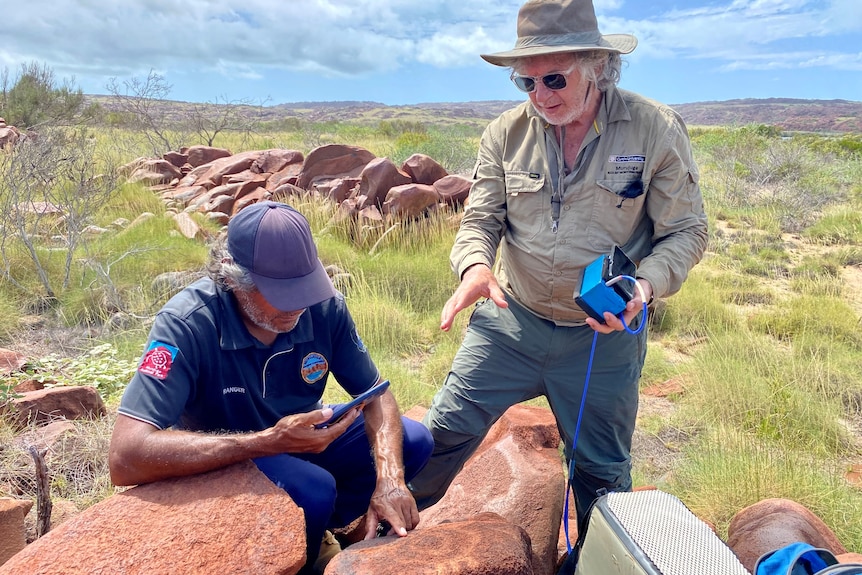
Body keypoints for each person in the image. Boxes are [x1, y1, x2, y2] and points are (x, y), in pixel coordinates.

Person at [409, 0, 708, 531]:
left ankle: (596, 562)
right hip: (511, 320)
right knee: (441, 435)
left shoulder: (653, 129)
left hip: (603, 335)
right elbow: (480, 220)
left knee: (602, 472)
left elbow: (686, 231)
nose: (539, 96)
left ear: (598, 66)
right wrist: (475, 267)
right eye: (525, 83)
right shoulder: (504, 134)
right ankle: (379, 537)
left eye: (553, 79)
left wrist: (644, 286)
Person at [109, 200, 433, 574]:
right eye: (282, 293)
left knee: (414, 441)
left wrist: (390, 479)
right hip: (229, 456)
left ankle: (334, 529)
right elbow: (125, 456)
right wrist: (267, 441)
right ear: (232, 278)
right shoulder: (187, 323)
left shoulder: (324, 307)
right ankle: (299, 562)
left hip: (305, 440)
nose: (298, 306)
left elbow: (377, 393)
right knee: (313, 490)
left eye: (305, 287)